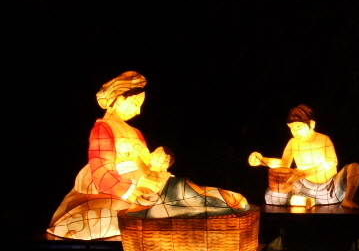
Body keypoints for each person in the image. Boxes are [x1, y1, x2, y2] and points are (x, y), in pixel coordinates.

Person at [48, 72, 248, 239]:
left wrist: (160, 162)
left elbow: (147, 165)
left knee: (191, 193)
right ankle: (219, 208)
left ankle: (223, 204)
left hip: (153, 184)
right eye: (135, 104)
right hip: (127, 191)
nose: (138, 111)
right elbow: (102, 172)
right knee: (183, 204)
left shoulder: (136, 132)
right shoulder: (103, 128)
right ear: (119, 99)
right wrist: (133, 193)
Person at [249, 104, 359, 208]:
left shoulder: (324, 139)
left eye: (299, 127)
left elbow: (331, 162)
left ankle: (347, 199)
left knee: (354, 167)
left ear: (311, 124)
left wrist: (304, 173)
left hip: (330, 187)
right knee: (271, 194)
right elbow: (284, 163)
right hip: (304, 187)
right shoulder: (293, 142)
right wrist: (262, 160)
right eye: (292, 128)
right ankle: (305, 201)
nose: (295, 132)